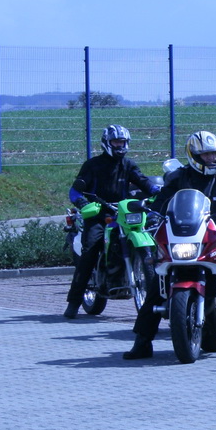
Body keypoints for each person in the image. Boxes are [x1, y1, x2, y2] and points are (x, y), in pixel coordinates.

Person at [122, 130, 216, 361]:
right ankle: (142, 343)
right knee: (157, 283)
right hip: (183, 239)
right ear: (193, 155)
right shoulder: (177, 177)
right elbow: (162, 201)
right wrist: (152, 215)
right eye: (206, 155)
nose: (212, 158)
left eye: (215, 154)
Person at [63, 124, 154, 318]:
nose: (120, 145)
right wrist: (82, 202)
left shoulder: (128, 165)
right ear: (107, 143)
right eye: (116, 142)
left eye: (122, 142)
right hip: (99, 215)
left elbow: (144, 181)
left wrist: (158, 191)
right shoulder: (92, 165)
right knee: (90, 249)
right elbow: (75, 191)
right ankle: (74, 302)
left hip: (123, 214)